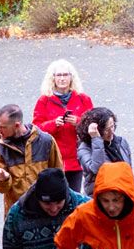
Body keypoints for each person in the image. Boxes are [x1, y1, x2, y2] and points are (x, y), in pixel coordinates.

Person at [0, 104, 63, 214]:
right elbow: (0, 188)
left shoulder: (46, 141)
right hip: (17, 213)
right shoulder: (0, 149)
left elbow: (59, 175)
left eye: (3, 127)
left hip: (45, 211)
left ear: (17, 125)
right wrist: (4, 179)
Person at [33, 60, 94, 191]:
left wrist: (78, 121)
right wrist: (53, 124)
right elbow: (35, 129)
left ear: (71, 77)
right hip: (52, 159)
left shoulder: (84, 99)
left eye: (65, 75)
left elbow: (93, 126)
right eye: (58, 75)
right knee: (55, 197)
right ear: (53, 78)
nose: (62, 79)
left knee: (74, 196)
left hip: (76, 159)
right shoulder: (44, 100)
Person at [76, 107, 132, 195]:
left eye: (112, 126)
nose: (111, 132)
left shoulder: (121, 142)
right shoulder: (84, 149)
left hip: (123, 190)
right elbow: (98, 169)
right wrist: (96, 139)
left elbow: (129, 171)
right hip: (100, 195)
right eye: (106, 129)